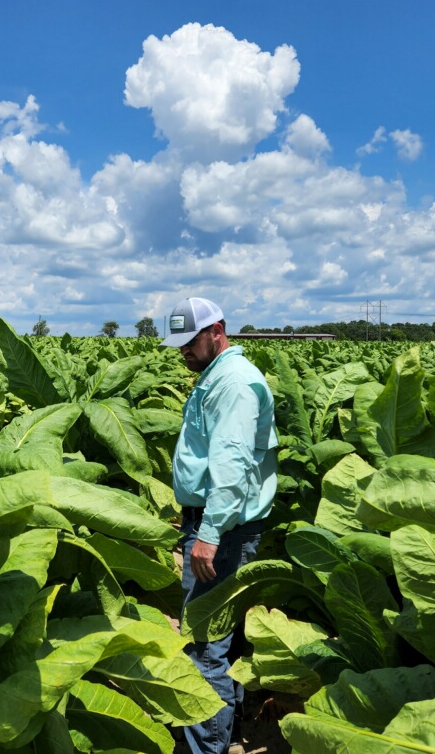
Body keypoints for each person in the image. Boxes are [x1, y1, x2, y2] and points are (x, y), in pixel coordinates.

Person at [161, 297, 279, 754]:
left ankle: (204, 747)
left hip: (223, 531)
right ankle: (220, 732)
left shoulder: (233, 382)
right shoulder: (218, 376)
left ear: (217, 330)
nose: (184, 352)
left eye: (190, 342)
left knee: (206, 646)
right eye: (179, 345)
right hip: (219, 525)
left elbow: (231, 467)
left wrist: (207, 535)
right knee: (220, 643)